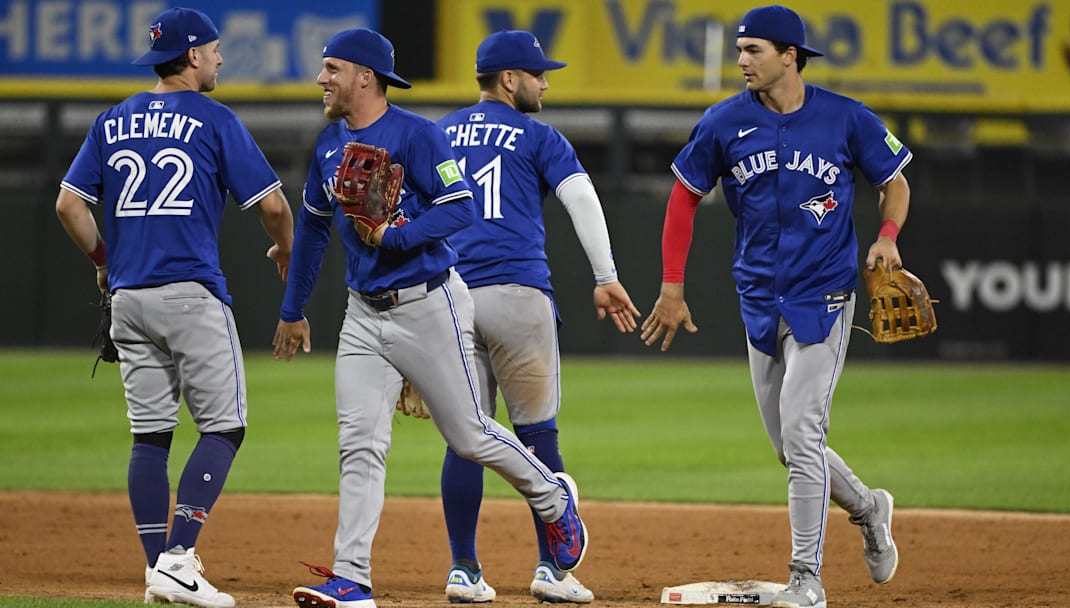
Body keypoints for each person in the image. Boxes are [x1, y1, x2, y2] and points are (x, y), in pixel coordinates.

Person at [272, 28, 588, 608]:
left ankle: (552, 498)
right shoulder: (326, 147)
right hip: (362, 313)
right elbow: (314, 230)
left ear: (365, 77)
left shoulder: (418, 135)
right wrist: (292, 310)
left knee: (469, 434)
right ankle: (352, 578)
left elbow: (459, 206)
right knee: (359, 443)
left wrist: (398, 236)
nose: (322, 79)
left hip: (429, 303)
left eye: (332, 69)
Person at [640, 6, 905, 608]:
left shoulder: (845, 117)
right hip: (759, 298)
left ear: (791, 55)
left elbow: (896, 180)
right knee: (790, 446)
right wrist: (672, 285)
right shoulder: (724, 122)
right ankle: (868, 509)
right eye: (740, 50)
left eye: (753, 50)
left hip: (825, 296)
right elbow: (683, 197)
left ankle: (806, 578)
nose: (741, 60)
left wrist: (887, 234)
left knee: (804, 436)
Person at [55, 7, 294, 608]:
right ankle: (179, 558)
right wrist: (286, 248)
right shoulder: (214, 118)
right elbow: (272, 207)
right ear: (191, 56)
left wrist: (104, 261)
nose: (218, 58)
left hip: (128, 298)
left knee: (151, 437)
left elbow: (68, 206)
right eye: (213, 50)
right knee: (224, 426)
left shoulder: (112, 120)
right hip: (189, 292)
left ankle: (158, 567)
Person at [431, 30, 638, 604]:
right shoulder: (538, 135)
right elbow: (582, 200)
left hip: (448, 298)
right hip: (518, 295)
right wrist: (605, 277)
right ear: (509, 80)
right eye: (538, 74)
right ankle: (552, 569)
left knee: (467, 437)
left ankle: (464, 570)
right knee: (538, 434)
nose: (545, 82)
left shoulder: (437, 133)